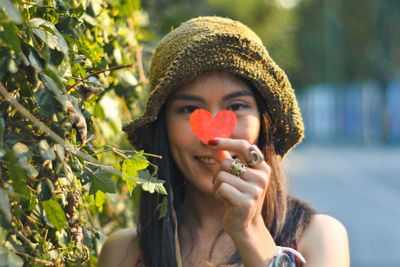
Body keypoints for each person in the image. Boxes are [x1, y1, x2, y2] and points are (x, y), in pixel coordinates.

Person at [98, 16, 350, 267]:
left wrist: (250, 233)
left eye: (236, 106)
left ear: (264, 123)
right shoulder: (123, 253)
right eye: (189, 109)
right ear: (163, 127)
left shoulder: (319, 239)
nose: (213, 138)